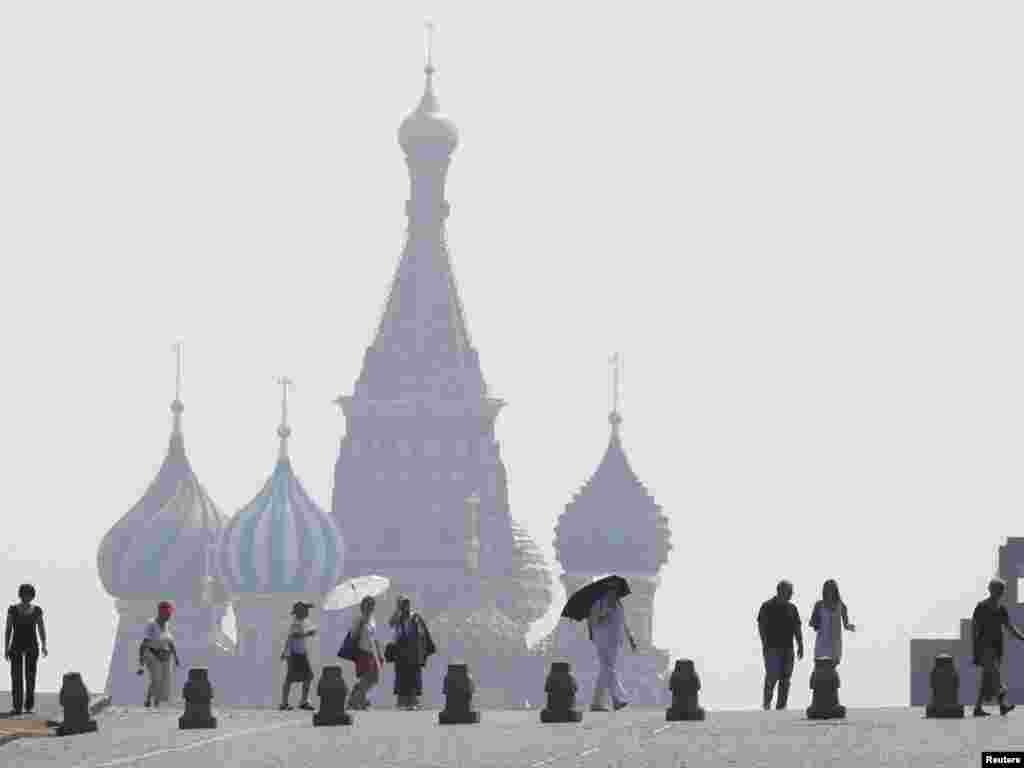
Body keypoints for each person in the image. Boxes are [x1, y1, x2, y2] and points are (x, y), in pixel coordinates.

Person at [971, 578, 1024, 717]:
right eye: (999, 589)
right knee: (995, 676)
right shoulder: (981, 606)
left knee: (987, 679)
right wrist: (976, 647)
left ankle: (979, 708)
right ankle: (1003, 699)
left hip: (997, 647)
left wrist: (1022, 637)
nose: (1001, 592)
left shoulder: (1001, 609)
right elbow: (975, 628)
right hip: (984, 647)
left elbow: (1009, 627)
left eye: (1002, 590)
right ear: (991, 590)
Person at [587, 581, 637, 713]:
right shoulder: (599, 602)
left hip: (615, 641)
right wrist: (604, 612)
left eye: (616, 590)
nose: (614, 592)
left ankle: (598, 703)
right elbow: (593, 620)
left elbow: (623, 622)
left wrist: (630, 638)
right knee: (608, 669)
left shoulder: (619, 604)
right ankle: (617, 698)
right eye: (612, 590)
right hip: (603, 640)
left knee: (605, 671)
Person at [757, 579, 804, 710]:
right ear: (781, 591)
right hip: (772, 648)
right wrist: (765, 643)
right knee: (772, 676)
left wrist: (800, 645)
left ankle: (781, 707)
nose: (791, 594)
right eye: (789, 592)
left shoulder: (792, 608)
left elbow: (797, 627)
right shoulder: (767, 606)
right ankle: (766, 705)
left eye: (791, 592)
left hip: (788, 648)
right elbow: (761, 625)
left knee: (785, 678)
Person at [4, 584, 48, 715]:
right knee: (16, 677)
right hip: (16, 646)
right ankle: (17, 706)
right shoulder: (12, 610)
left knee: (30, 676)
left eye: (28, 595)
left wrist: (44, 644)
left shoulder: (37, 610)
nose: (26, 597)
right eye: (24, 594)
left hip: (32, 646)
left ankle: (28, 706)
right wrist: (6, 647)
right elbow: (8, 629)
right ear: (20, 595)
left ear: (32, 596)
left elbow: (41, 628)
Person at [387, 596, 435, 710]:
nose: (405, 606)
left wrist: (422, 650)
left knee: (413, 676)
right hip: (401, 652)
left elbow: (422, 634)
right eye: (403, 604)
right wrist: (397, 610)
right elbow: (391, 624)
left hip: (413, 651)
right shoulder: (398, 617)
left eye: (407, 603)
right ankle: (401, 702)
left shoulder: (415, 616)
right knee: (401, 676)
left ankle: (413, 701)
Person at [138, 601, 179, 708]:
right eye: (168, 613)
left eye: (170, 614)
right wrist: (141, 664)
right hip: (151, 653)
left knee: (163, 680)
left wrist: (176, 657)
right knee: (156, 679)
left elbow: (170, 642)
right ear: (161, 612)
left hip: (164, 655)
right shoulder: (151, 625)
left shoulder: (166, 625)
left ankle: (156, 702)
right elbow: (144, 643)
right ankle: (148, 700)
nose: (169, 616)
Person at [348, 596, 386, 710]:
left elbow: (375, 637)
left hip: (372, 652)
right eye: (368, 605)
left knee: (374, 679)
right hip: (363, 651)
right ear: (363, 607)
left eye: (372, 605)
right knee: (366, 677)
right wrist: (361, 625)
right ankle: (357, 701)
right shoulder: (358, 619)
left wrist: (379, 653)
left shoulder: (372, 620)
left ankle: (357, 697)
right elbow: (353, 636)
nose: (370, 607)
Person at [809, 579, 855, 667]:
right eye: (827, 589)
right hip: (822, 642)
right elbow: (812, 623)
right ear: (824, 591)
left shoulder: (841, 606)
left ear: (835, 591)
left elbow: (846, 625)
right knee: (819, 666)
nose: (829, 592)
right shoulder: (819, 605)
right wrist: (815, 623)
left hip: (835, 643)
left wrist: (851, 627)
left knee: (831, 668)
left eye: (832, 589)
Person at [280, 601, 316, 711]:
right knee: (291, 678)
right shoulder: (296, 623)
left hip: (299, 654)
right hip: (295, 655)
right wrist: (308, 634)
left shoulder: (301, 622)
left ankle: (302, 701)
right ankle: (286, 703)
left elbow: (291, 638)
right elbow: (294, 636)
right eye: (305, 609)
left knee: (307, 677)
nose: (307, 611)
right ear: (300, 612)